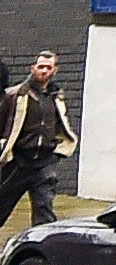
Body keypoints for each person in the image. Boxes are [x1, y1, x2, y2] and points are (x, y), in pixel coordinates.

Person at [2, 51, 70, 237]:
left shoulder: (56, 97)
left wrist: (57, 152)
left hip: (44, 163)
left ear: (55, 70)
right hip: (17, 162)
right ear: (33, 68)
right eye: (40, 67)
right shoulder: (15, 96)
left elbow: (61, 126)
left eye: (48, 67)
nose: (44, 71)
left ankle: (40, 253)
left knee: (44, 212)